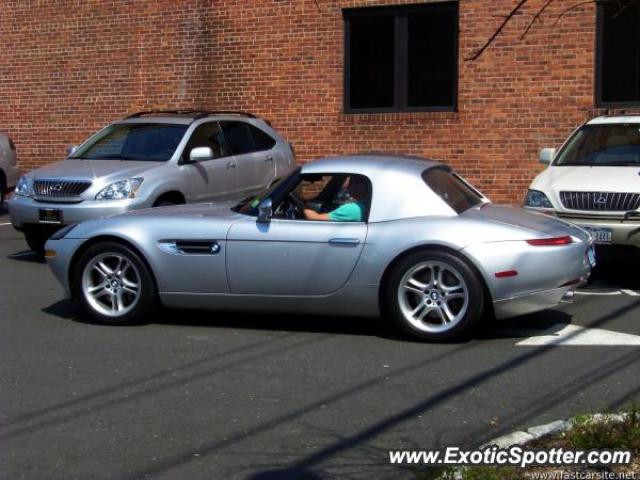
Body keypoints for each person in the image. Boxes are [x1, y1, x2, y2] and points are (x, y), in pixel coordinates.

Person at [303, 176, 368, 222]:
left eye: (351, 181)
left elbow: (315, 218)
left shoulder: (354, 209)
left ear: (361, 185)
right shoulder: (366, 204)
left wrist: (301, 206)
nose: (348, 186)